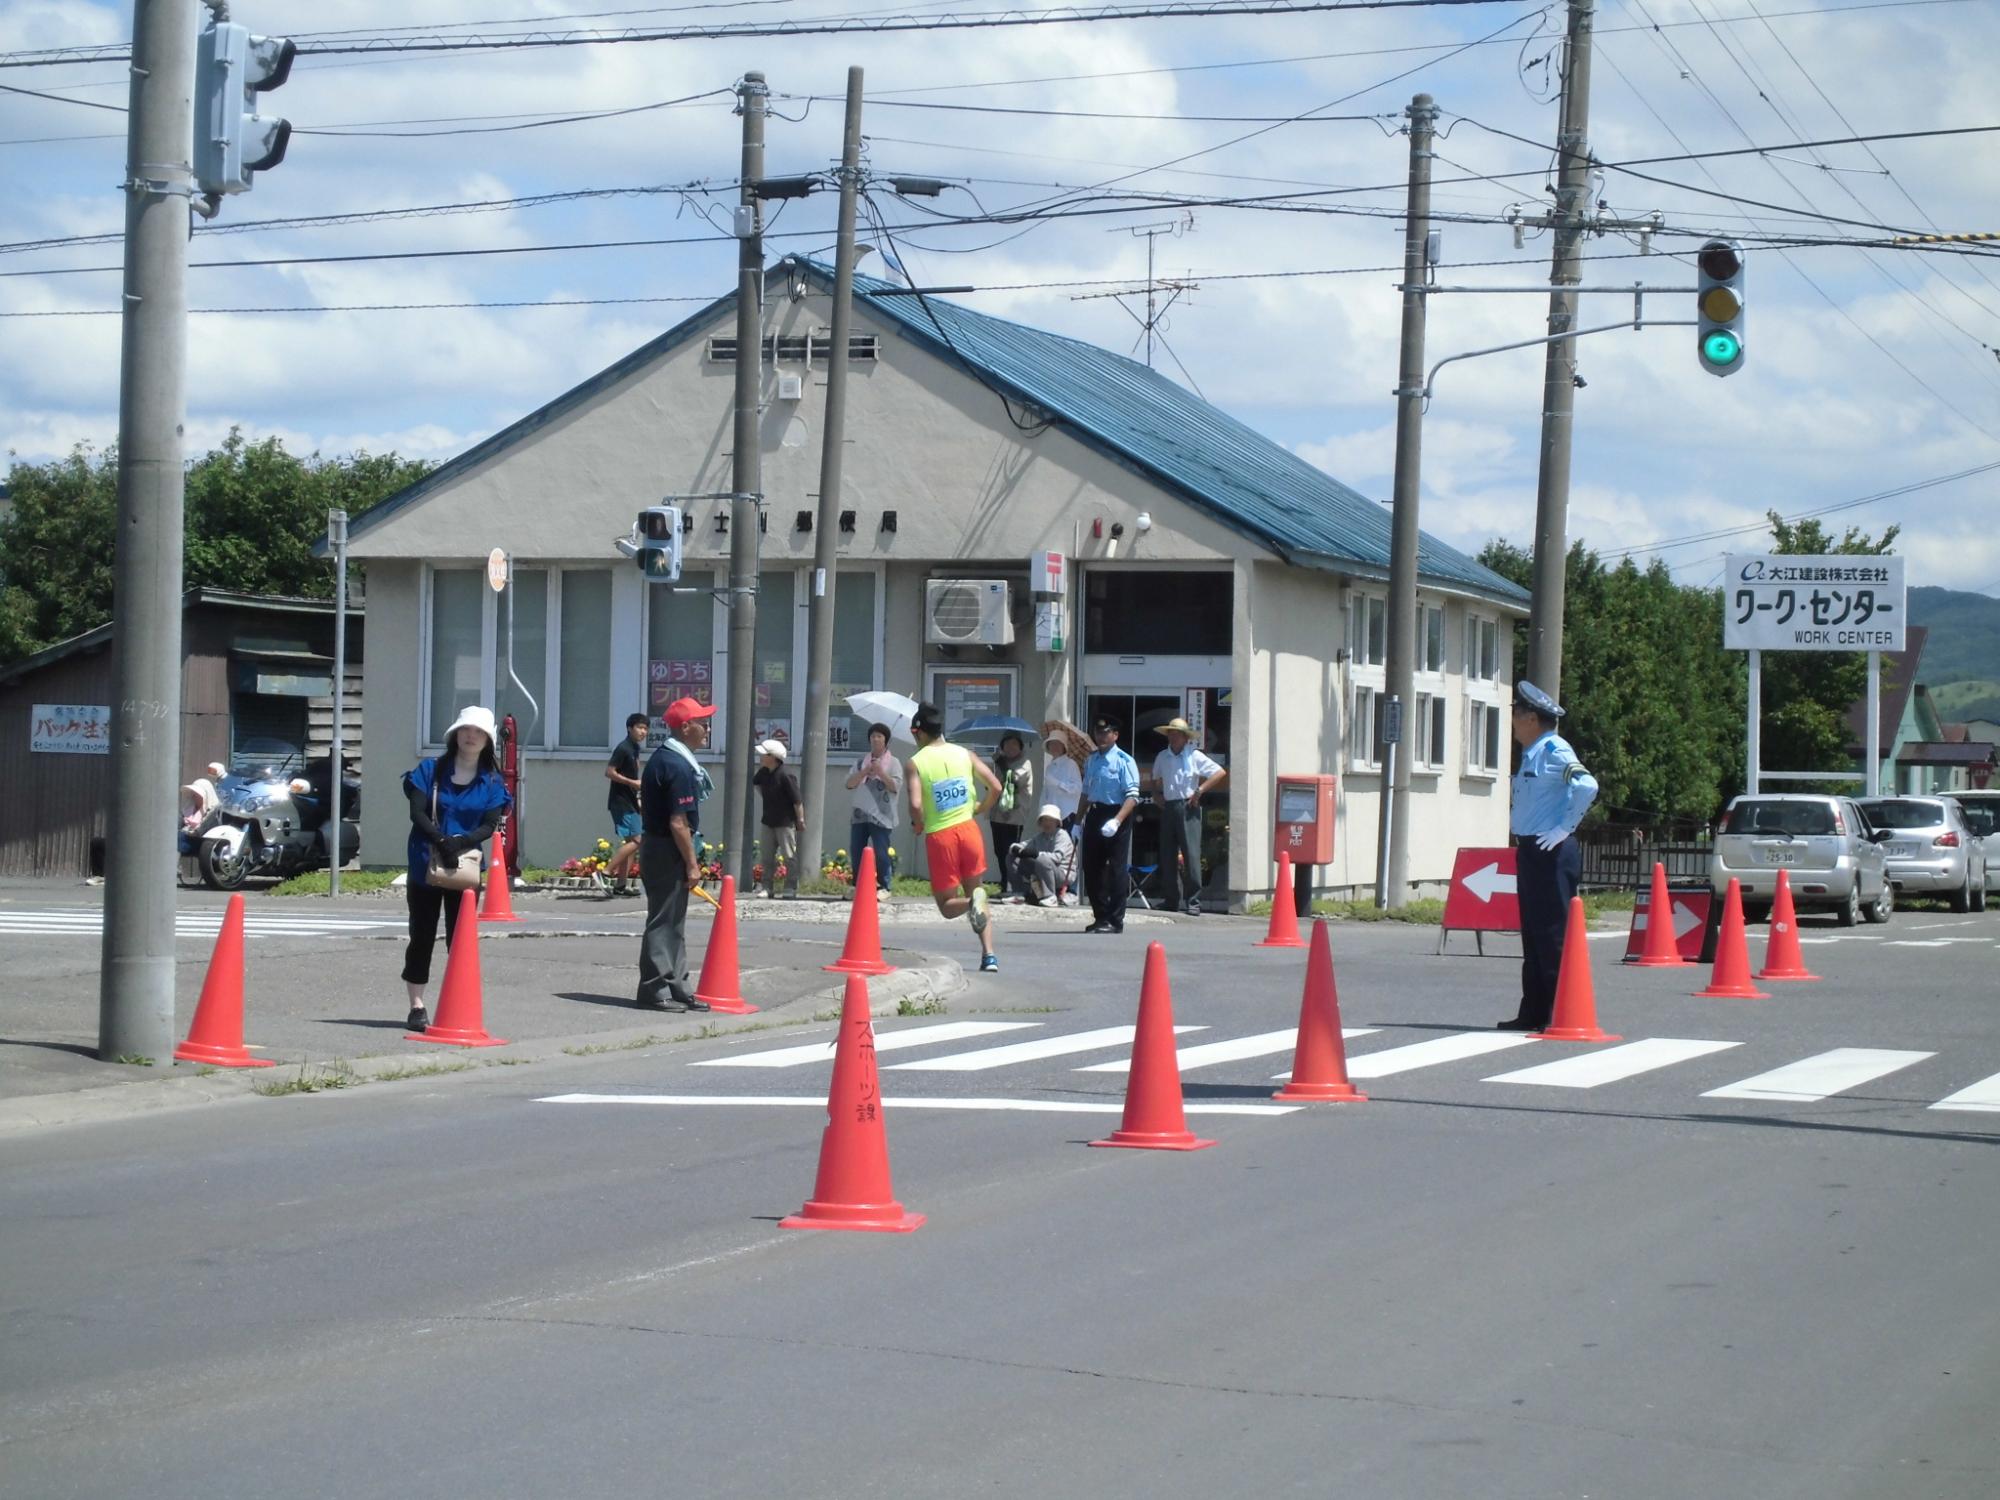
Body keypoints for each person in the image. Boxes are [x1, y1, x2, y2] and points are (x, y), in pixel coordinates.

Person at [400, 705, 512, 1032]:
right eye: (466, 730)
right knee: (421, 934)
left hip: (464, 868)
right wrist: (440, 839)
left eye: (478, 731)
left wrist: (459, 843)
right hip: (425, 861)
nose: (471, 736)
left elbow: (491, 824)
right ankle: (417, 1006)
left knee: (459, 939)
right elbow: (416, 812)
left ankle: (456, 1001)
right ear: (455, 734)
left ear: (487, 740)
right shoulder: (430, 770)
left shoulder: (491, 782)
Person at [1499, 681, 1599, 1032]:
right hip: (1532, 849)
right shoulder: (1534, 751)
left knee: (1554, 934)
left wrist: (1564, 828)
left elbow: (1587, 785)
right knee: (1533, 933)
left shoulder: (1554, 749)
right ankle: (1535, 1011)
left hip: (1551, 851)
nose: (1512, 721)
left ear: (1530, 717)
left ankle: (1562, 1011)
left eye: (1515, 713)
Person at [906, 700, 1003, 973]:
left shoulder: (915, 763)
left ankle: (973, 903)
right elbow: (995, 786)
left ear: (920, 732)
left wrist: (917, 823)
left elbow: (915, 805)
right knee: (977, 890)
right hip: (969, 830)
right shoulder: (965, 754)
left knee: (948, 906)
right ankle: (989, 955)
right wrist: (981, 808)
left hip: (941, 836)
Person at [636, 696, 715, 1012]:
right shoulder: (676, 765)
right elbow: (678, 822)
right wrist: (692, 863)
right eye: (703, 722)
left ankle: (678, 986)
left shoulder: (671, 759)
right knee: (662, 921)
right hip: (665, 848)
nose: (707, 728)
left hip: (662, 846)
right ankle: (654, 989)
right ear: (686, 727)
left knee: (674, 921)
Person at [1147, 717, 1227, 915]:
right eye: (1170, 734)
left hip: (1188, 804)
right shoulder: (1162, 757)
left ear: (1185, 737)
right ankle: (1171, 898)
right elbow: (1155, 779)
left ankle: (1193, 901)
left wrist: (1200, 790)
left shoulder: (1194, 756)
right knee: (1167, 854)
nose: (1172, 737)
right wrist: (1156, 795)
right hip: (1169, 805)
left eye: (1176, 734)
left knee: (1191, 854)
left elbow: (1219, 773)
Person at [1080, 716, 1140, 934]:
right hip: (1096, 813)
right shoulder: (1091, 760)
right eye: (1098, 732)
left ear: (1115, 735)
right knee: (1091, 867)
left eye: (1106, 733)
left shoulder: (1124, 760)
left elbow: (1133, 796)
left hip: (1117, 813)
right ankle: (1100, 916)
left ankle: (1115, 920)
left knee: (1116, 869)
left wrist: (1117, 820)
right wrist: (1077, 821)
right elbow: (1086, 793)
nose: (1101, 736)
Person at [844, 721, 902, 899]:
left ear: (886, 741)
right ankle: (858, 885)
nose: (876, 739)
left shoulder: (893, 762)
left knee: (881, 852)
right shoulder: (862, 762)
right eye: (873, 736)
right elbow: (849, 784)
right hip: (860, 814)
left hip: (882, 815)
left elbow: (895, 787)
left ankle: (884, 886)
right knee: (856, 850)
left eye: (880, 736)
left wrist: (880, 772)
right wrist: (865, 771)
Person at [603, 712, 650, 896]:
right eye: (639, 727)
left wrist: (638, 797)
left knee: (632, 842)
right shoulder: (623, 748)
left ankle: (621, 885)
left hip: (631, 801)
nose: (643, 732)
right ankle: (605, 872)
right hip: (620, 802)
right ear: (629, 728)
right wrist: (632, 783)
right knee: (638, 840)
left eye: (646, 728)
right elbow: (609, 772)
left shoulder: (635, 749)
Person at [751, 739, 804, 898]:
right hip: (768, 820)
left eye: (764, 754)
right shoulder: (763, 773)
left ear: (773, 757)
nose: (760, 756)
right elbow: (757, 785)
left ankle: (791, 887)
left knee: (789, 856)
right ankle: (767, 887)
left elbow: (797, 801)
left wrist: (800, 820)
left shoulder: (786, 775)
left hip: (785, 822)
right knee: (767, 856)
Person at [987, 732, 1034, 894]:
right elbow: (993, 785)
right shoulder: (1001, 763)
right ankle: (1004, 882)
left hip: (1014, 817)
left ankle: (1013, 885)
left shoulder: (1024, 763)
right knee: (999, 851)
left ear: (1020, 747)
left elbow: (1014, 780)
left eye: (1014, 744)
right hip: (997, 814)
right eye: (1007, 744)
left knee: (1011, 851)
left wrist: (999, 762)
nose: (1010, 747)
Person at [1010, 804, 1075, 907]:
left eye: (1050, 820)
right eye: (1044, 820)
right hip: (1043, 870)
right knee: (1012, 857)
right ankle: (1019, 893)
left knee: (1042, 859)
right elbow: (1023, 845)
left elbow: (1057, 857)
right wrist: (1014, 848)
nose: (1047, 823)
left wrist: (1036, 854)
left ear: (1057, 822)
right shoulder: (1039, 837)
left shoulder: (1062, 835)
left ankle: (1050, 896)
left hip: (1062, 874)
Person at [1043, 731, 1083, 829]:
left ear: (1064, 747)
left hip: (1067, 814)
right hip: (1052, 815)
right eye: (1052, 744)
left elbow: (1078, 789)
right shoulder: (1049, 767)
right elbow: (1046, 792)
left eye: (1058, 744)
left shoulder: (1071, 764)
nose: (1055, 747)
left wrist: (1058, 784)